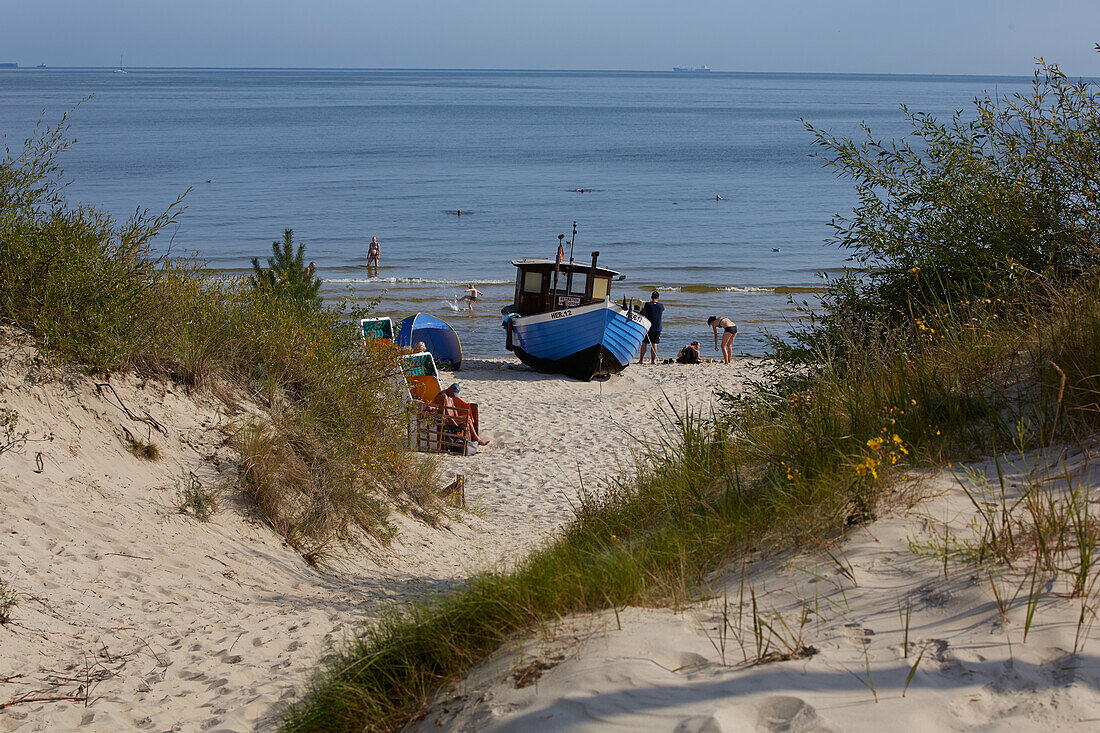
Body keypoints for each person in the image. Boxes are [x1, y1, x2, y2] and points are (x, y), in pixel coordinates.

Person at [430, 383, 489, 448]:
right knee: (468, 419)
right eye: (453, 393)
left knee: (466, 424)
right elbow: (447, 414)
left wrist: (458, 418)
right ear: (450, 389)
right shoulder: (443, 396)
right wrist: (456, 425)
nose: (453, 396)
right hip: (444, 419)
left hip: (451, 418)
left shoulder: (449, 395)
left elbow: (454, 409)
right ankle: (477, 440)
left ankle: (469, 446)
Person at [638, 291, 665, 364]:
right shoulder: (661, 306)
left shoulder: (647, 304)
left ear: (651, 297)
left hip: (648, 326)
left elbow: (642, 312)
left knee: (644, 343)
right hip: (657, 327)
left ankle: (641, 360)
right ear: (658, 298)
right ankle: (653, 361)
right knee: (654, 343)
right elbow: (662, 309)